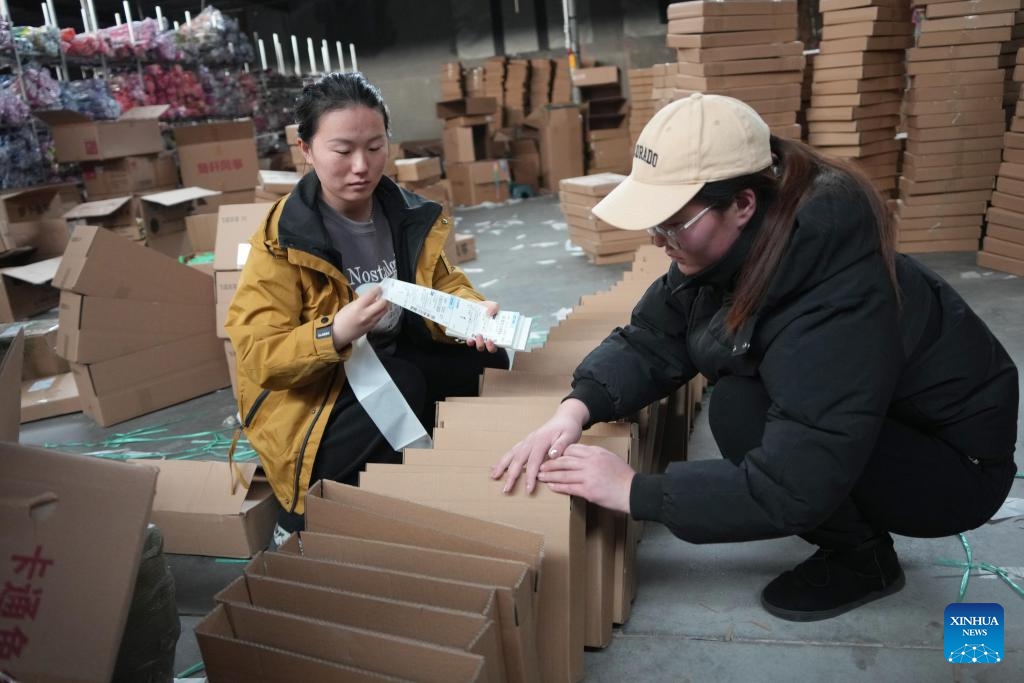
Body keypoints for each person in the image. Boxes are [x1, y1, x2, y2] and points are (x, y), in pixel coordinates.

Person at [492, 93, 1019, 622]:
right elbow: (656, 334)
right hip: (889, 415)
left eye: (672, 223)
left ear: (743, 203)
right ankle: (859, 542)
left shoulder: (833, 292)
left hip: (952, 466)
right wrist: (576, 408)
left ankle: (864, 560)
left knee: (740, 411)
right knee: (741, 400)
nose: (659, 240)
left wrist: (637, 491)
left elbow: (797, 480)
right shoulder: (737, 242)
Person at [226, 72, 508, 541]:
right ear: (307, 149)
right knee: (403, 382)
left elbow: (443, 283)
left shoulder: (404, 214)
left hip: (389, 363)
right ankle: (296, 521)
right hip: (313, 399)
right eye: (342, 150)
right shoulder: (281, 242)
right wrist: (334, 332)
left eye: (375, 147)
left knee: (488, 360)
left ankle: (441, 476)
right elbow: (259, 357)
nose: (362, 165)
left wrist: (472, 310)